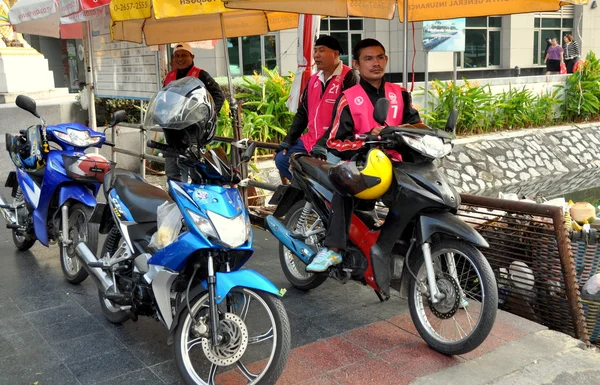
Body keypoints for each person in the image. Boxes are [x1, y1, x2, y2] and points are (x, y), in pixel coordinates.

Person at [305, 38, 421, 272]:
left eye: (380, 57)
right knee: (345, 183)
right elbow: (335, 140)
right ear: (356, 65)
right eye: (368, 59)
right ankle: (333, 249)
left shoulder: (399, 93)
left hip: (398, 164)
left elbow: (415, 124)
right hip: (364, 164)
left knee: (419, 198)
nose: (375, 63)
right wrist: (367, 139)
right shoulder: (349, 97)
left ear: (386, 60)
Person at [274, 35, 358, 182]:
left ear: (335, 53)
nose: (316, 55)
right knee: (282, 159)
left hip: (336, 143)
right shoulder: (313, 79)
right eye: (315, 50)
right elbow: (303, 113)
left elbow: (347, 118)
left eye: (322, 50)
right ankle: (310, 195)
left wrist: (323, 144)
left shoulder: (349, 77)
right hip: (310, 140)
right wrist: (288, 139)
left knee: (325, 174)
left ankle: (321, 199)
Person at [162, 43, 225, 182]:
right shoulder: (170, 76)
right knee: (173, 170)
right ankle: (177, 196)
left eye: (184, 55)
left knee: (196, 169)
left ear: (192, 56)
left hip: (193, 131)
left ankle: (198, 195)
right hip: (172, 130)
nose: (180, 59)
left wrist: (210, 113)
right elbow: (163, 98)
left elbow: (218, 95)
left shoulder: (201, 74)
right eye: (177, 56)